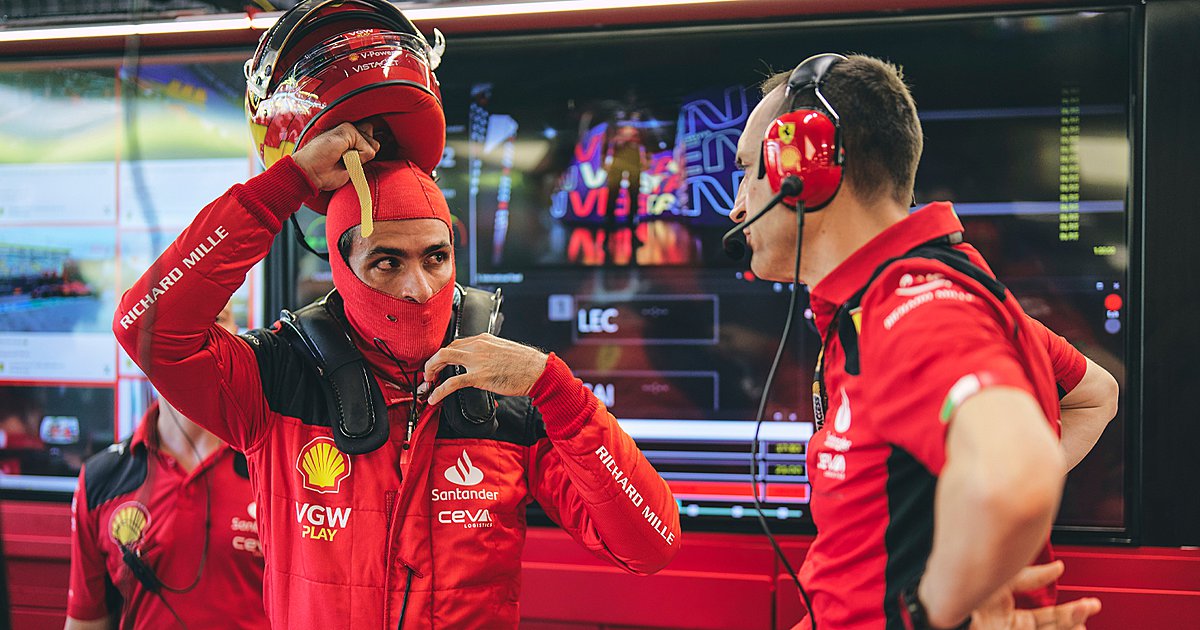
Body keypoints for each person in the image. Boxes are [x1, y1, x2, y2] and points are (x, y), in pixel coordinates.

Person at [113, 121, 680, 628]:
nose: (420, 288)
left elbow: (650, 544)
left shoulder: (508, 391)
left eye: (436, 257)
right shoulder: (278, 375)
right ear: (342, 268)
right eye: (387, 262)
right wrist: (288, 183)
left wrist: (555, 388)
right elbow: (147, 327)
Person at [728, 54, 1117, 629]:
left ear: (805, 168)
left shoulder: (914, 311)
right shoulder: (925, 293)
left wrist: (933, 608)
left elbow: (1019, 472)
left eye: (747, 170)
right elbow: (1096, 394)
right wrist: (964, 521)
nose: (737, 206)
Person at [67, 304, 266, 630]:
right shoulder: (101, 479)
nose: (198, 332)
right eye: (177, 319)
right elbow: (86, 622)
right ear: (143, 345)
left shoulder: (274, 467)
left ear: (237, 336)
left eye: (217, 318)